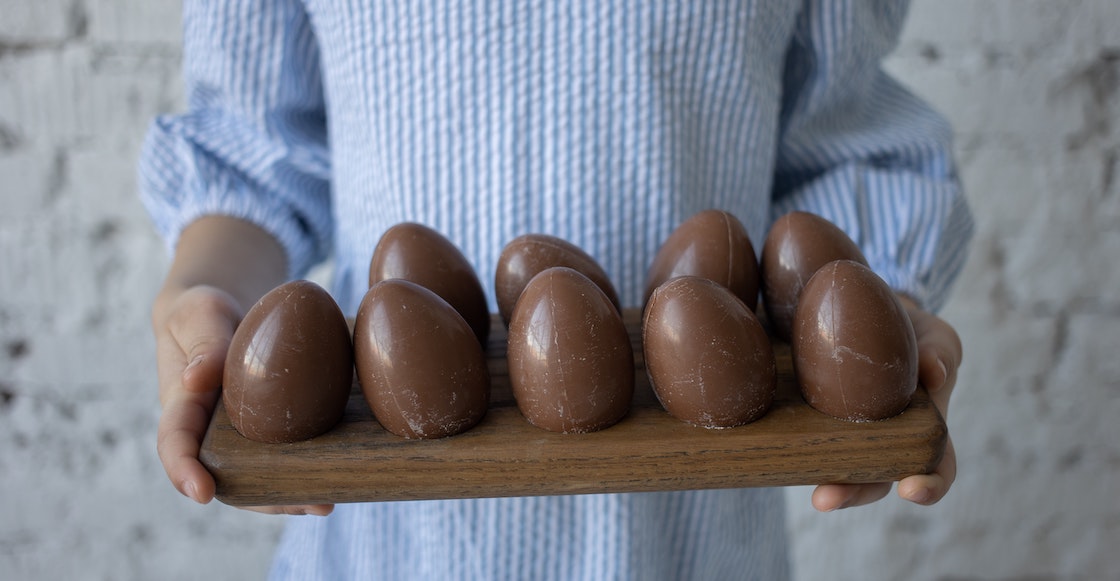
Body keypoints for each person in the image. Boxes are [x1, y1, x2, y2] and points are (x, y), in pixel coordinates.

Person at [141, 0, 974, 579]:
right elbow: (252, 156)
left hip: (694, 541)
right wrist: (205, 291)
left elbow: (839, 146)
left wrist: (876, 323)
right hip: (386, 542)